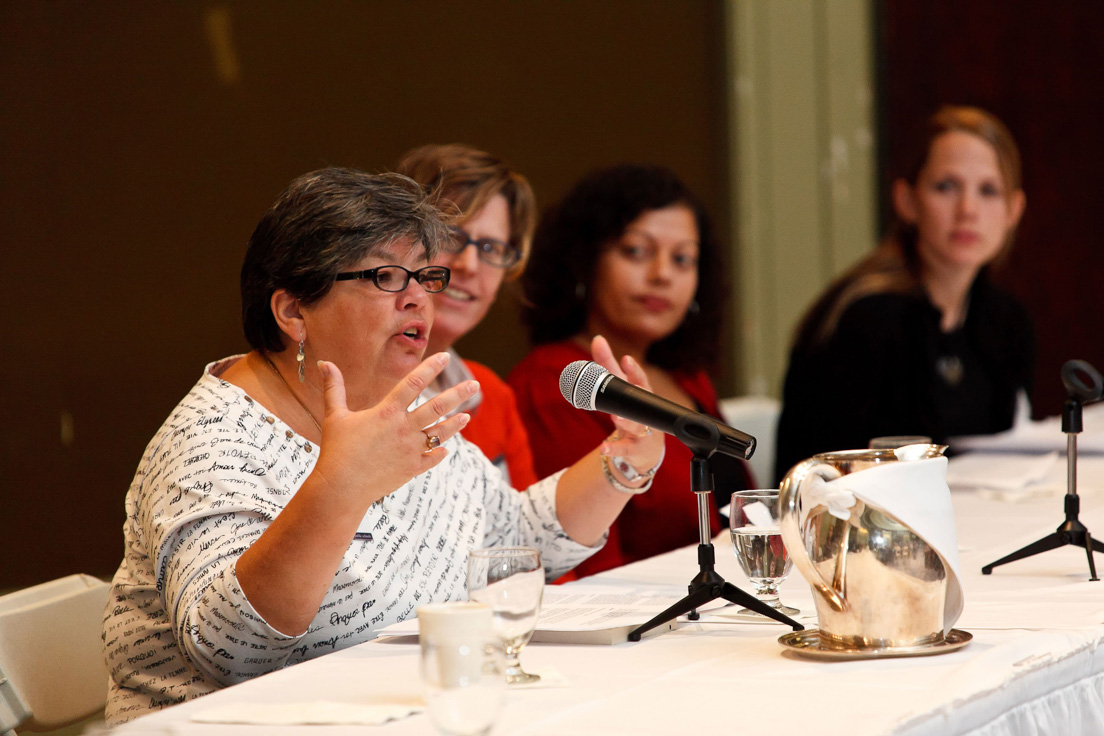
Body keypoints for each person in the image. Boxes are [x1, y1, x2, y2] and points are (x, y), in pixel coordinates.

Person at [102, 168, 664, 723]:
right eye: (387, 277)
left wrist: (621, 460)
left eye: (427, 277)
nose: (420, 300)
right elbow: (231, 650)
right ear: (294, 310)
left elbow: (510, 538)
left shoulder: (388, 408)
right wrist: (341, 487)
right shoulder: (213, 439)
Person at [509, 164, 753, 579]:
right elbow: (582, 564)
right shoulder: (554, 383)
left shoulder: (687, 378)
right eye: (636, 251)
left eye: (683, 259)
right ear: (584, 262)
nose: (662, 275)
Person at [773, 105, 1034, 482]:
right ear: (907, 200)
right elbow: (824, 475)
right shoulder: (866, 319)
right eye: (946, 187)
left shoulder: (1006, 321)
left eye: (988, 191)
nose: (968, 210)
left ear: (1014, 210)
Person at [395, 144, 537, 488]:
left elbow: (526, 532)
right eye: (450, 235)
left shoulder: (492, 395)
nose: (468, 265)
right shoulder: (347, 385)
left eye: (491, 249)